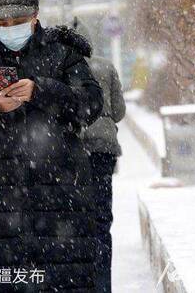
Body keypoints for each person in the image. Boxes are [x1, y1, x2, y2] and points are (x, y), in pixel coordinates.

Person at [0, 0, 104, 292]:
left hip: (59, 195)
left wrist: (41, 90)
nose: (10, 27)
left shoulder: (63, 52)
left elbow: (91, 103)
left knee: (64, 280)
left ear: (35, 17)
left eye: (18, 20)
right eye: (2, 22)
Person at [73, 16, 126, 293]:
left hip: (74, 152)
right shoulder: (106, 67)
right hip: (104, 148)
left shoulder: (62, 70)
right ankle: (103, 285)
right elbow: (118, 111)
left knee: (78, 220)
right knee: (102, 220)